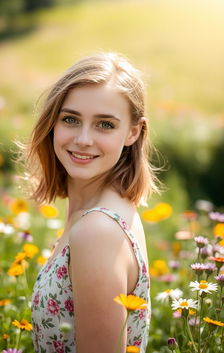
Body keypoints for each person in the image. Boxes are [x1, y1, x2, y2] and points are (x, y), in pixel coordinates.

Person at [24, 52, 161, 353]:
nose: (83, 139)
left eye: (105, 125)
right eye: (71, 119)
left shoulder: (98, 231)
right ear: (53, 122)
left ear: (133, 132)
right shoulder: (102, 210)